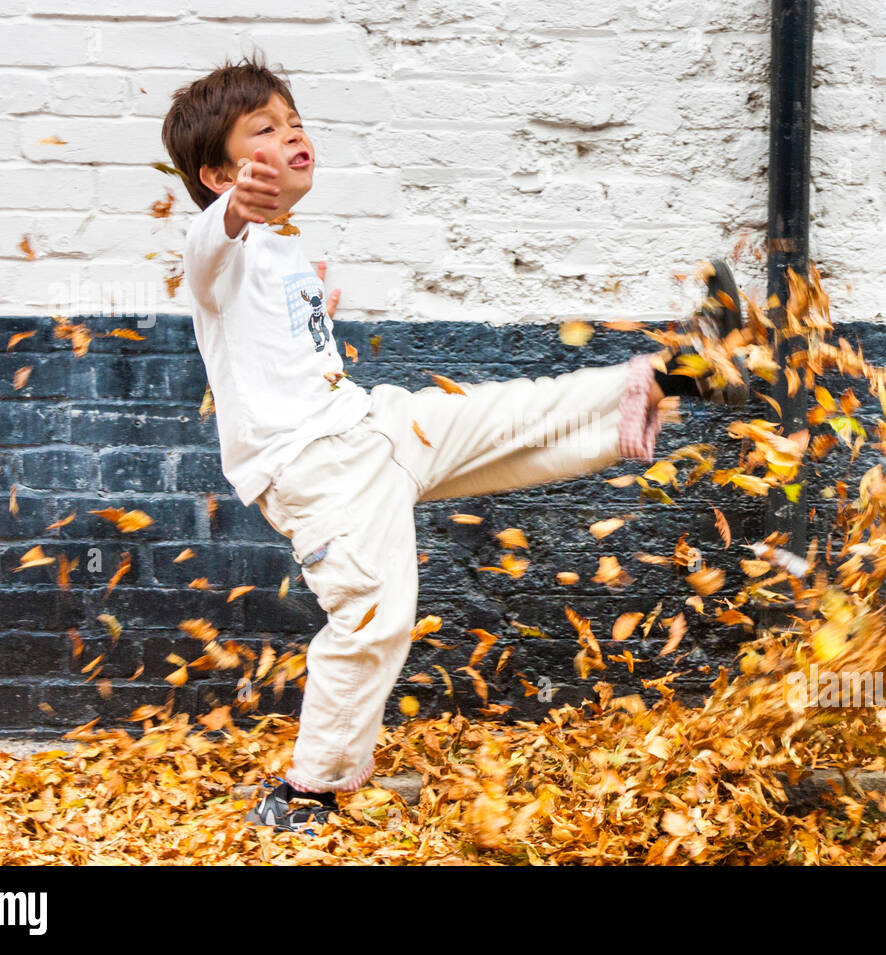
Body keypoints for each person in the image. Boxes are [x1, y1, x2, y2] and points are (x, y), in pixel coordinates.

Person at [161, 53, 749, 832]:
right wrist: (234, 212)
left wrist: (315, 306)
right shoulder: (225, 249)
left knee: (512, 421)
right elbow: (203, 253)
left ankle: (677, 375)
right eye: (264, 130)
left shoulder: (285, 250)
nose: (292, 134)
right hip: (318, 470)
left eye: (294, 120)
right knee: (377, 617)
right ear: (217, 174)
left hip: (368, 425)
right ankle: (307, 791)